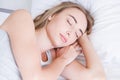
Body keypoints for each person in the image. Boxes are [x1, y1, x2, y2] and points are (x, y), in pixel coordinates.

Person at [0, 2, 106, 80]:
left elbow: (98, 77)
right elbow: (33, 78)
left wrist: (84, 39)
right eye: (69, 22)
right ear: (52, 15)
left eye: (76, 34)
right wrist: (63, 60)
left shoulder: (55, 59)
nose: (70, 32)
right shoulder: (22, 19)